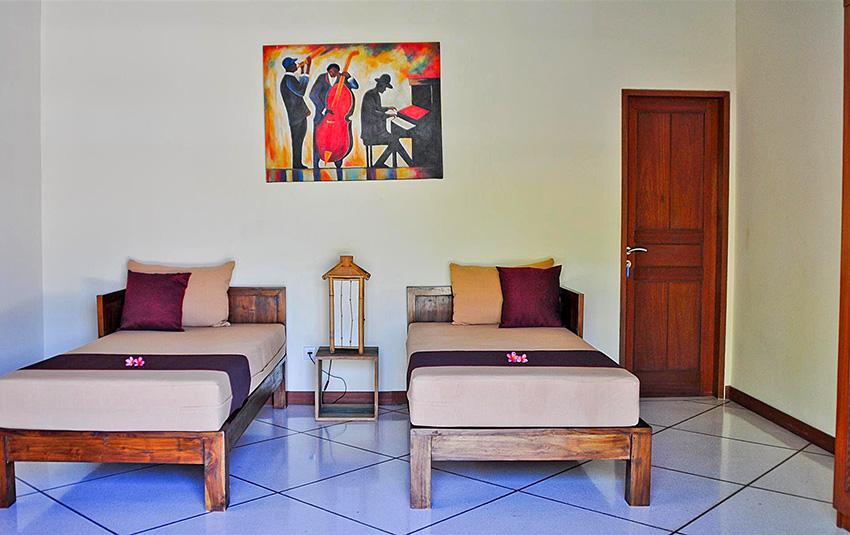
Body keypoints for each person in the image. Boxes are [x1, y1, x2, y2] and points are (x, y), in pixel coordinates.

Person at [309, 63, 359, 172]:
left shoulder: (342, 79)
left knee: (338, 140)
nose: (333, 74)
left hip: (338, 117)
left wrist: (349, 78)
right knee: (318, 141)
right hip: (322, 116)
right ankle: (316, 165)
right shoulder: (322, 78)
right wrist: (324, 109)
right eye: (331, 72)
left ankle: (338, 163)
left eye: (335, 72)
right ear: (328, 71)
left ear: (338, 72)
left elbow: (355, 86)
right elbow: (313, 95)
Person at [360, 74, 411, 168]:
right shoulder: (369, 95)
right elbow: (373, 112)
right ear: (381, 85)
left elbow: (378, 108)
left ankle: (409, 163)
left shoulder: (376, 95)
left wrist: (388, 108)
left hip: (377, 131)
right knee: (394, 141)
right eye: (385, 87)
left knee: (394, 140)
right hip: (371, 133)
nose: (385, 90)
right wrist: (388, 115)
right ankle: (379, 164)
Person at [279, 56, 312, 169]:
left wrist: (302, 71)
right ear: (290, 67)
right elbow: (301, 91)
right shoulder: (289, 79)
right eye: (294, 63)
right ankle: (297, 165)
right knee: (297, 141)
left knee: (298, 141)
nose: (296, 64)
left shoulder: (289, 79)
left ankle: (297, 164)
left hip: (297, 116)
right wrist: (308, 68)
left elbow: (298, 90)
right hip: (297, 117)